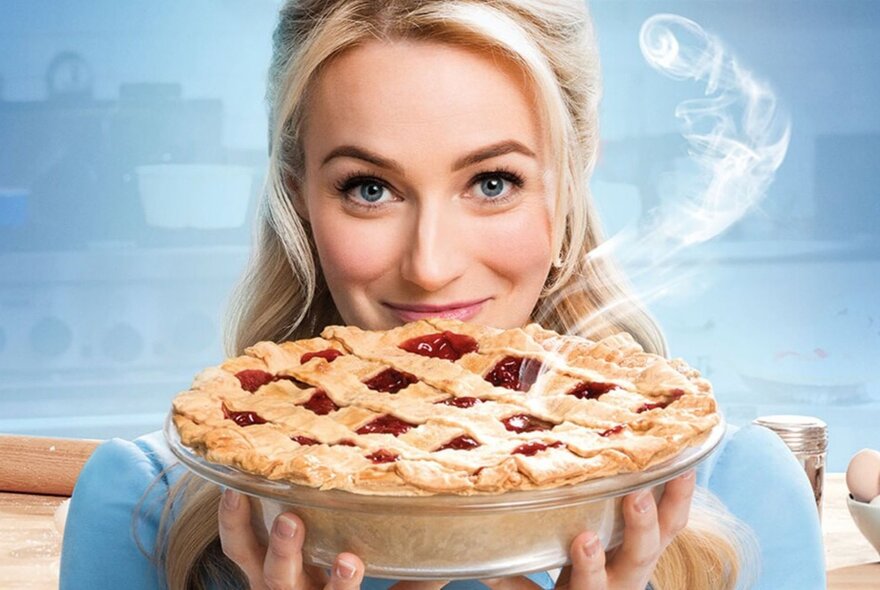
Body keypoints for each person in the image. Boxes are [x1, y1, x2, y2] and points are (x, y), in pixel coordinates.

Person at [59, 1, 825, 589]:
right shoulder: (141, 511)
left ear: (569, 184)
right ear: (299, 198)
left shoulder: (746, 495)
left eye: (492, 183)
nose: (429, 266)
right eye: (369, 188)